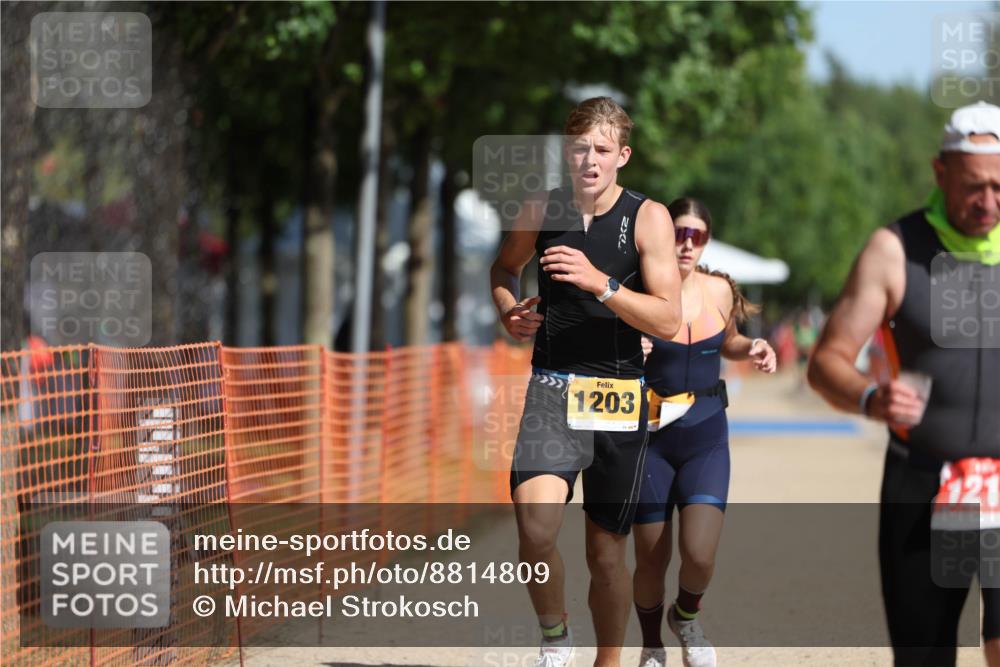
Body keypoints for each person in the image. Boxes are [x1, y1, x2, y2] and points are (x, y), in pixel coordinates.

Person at [490, 96, 682, 667]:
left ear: (622, 155)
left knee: (604, 554)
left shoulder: (648, 217)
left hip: (617, 396)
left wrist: (601, 284)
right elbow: (505, 267)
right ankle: (554, 641)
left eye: (601, 149)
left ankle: (609, 661)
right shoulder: (541, 208)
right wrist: (508, 308)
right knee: (536, 528)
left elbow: (670, 318)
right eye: (579, 149)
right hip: (551, 388)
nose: (589, 160)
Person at [808, 101, 1000, 667]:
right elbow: (828, 361)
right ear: (940, 173)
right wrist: (871, 398)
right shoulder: (894, 250)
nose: (988, 201)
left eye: (999, 186)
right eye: (973, 186)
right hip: (924, 481)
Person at [630, 198, 777, 667]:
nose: (686, 243)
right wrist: (630, 345)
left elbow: (727, 339)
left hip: (706, 434)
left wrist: (751, 345)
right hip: (650, 437)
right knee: (651, 559)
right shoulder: (638, 290)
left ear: (706, 241)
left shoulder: (718, 290)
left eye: (696, 235)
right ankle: (652, 646)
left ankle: (686, 617)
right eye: (677, 232)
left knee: (700, 554)